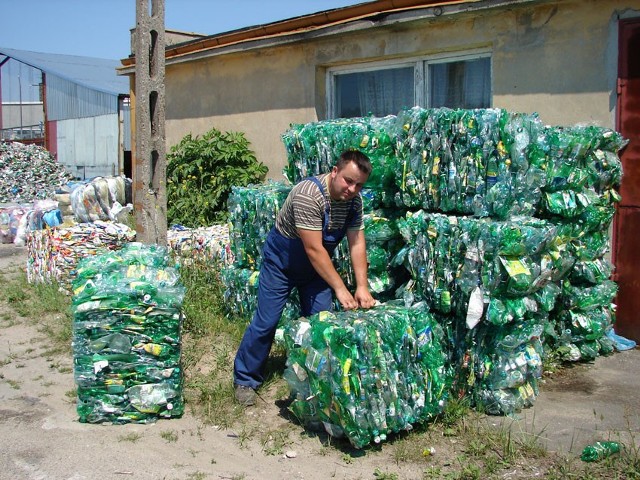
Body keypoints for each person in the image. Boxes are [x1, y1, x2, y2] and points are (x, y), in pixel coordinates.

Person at [233, 150, 376, 406]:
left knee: (322, 324)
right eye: (348, 180)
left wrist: (362, 286)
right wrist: (342, 290)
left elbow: (357, 244)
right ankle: (245, 379)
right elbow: (313, 249)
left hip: (316, 271)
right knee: (267, 322)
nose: (352, 189)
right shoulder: (309, 195)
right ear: (335, 171)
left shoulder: (354, 203)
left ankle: (313, 381)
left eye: (359, 185)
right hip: (282, 264)